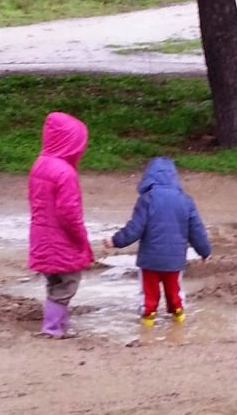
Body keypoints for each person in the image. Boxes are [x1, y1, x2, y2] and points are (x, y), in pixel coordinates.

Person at [103, 156, 211, 326]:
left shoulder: (147, 199)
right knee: (175, 294)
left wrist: (116, 240)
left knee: (149, 298)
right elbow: (196, 230)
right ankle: (179, 322)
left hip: (150, 262)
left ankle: (147, 327)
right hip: (174, 262)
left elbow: (135, 228)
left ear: (148, 176)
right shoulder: (186, 201)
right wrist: (204, 251)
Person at [28, 111, 93, 338]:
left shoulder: (40, 164)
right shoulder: (65, 173)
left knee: (55, 281)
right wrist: (80, 238)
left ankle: (60, 324)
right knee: (68, 282)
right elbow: (69, 212)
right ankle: (53, 327)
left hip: (42, 235)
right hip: (61, 238)